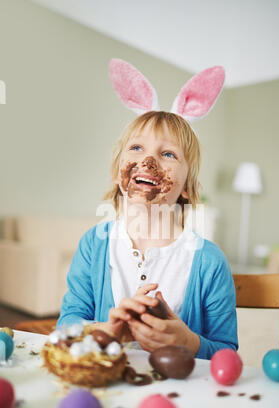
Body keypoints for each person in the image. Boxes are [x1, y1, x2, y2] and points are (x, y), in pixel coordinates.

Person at [56, 60, 238, 360]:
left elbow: (228, 354)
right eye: (137, 148)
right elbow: (67, 324)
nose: (149, 159)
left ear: (187, 188)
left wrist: (190, 343)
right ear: (119, 172)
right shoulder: (94, 244)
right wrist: (106, 330)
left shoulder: (209, 261)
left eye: (168, 153)